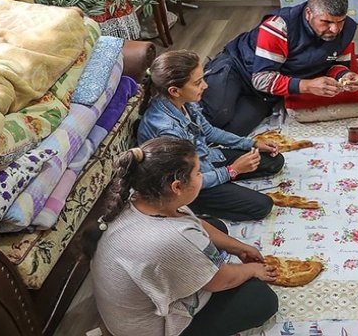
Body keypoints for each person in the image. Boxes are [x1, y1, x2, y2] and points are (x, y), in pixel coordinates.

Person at [83, 137, 278, 336]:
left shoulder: (142, 196)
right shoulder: (173, 239)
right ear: (177, 187)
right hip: (148, 329)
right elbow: (220, 281)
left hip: (127, 309)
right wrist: (252, 269)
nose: (202, 176)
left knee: (217, 227)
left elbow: (194, 222)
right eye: (199, 173)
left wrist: (238, 247)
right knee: (261, 298)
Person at [200, 0, 358, 136]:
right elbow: (261, 79)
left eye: (340, 21)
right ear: (308, 13)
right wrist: (307, 86)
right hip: (238, 68)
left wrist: (344, 76)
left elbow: (336, 64)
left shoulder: (347, 28)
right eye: (326, 22)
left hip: (265, 91)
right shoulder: (279, 26)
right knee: (213, 117)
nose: (335, 29)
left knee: (232, 133)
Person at [138, 50, 283, 222]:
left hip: (202, 160)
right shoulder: (167, 130)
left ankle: (224, 186)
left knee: (274, 161)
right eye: (198, 83)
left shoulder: (183, 102)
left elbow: (209, 131)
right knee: (263, 206)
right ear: (175, 90)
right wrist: (232, 171)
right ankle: (195, 207)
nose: (205, 86)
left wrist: (251, 143)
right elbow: (185, 182)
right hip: (189, 184)